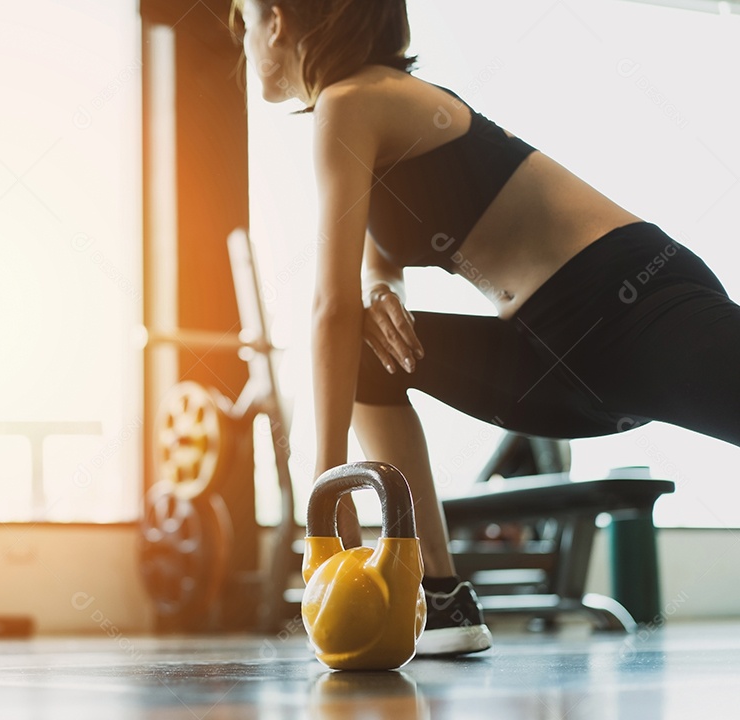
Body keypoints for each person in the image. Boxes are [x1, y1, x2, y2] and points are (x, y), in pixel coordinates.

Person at [231, 0, 740, 656]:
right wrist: (382, 289)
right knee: (367, 352)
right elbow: (371, 271)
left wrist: (325, 497)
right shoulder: (364, 108)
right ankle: (439, 598)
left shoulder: (352, 101)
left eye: (242, 20)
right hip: (552, 361)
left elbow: (327, 309)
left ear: (277, 18)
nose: (243, 42)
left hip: (632, 310)